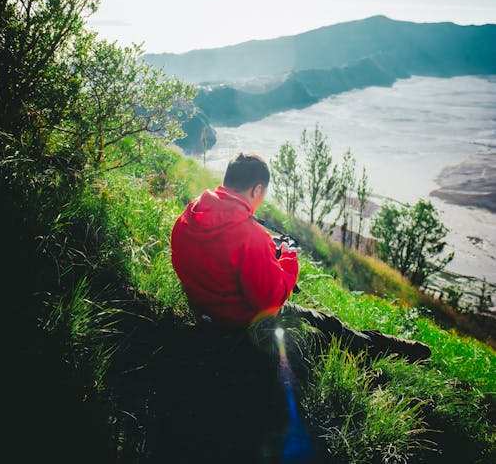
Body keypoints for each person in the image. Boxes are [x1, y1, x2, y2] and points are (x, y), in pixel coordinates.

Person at [171, 152, 431, 362]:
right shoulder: (251, 236)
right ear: (257, 189)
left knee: (325, 323)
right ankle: (389, 350)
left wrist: (264, 250)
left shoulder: (189, 216)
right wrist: (288, 258)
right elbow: (269, 304)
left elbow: (221, 254)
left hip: (205, 311)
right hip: (239, 323)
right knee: (328, 326)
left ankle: (382, 344)